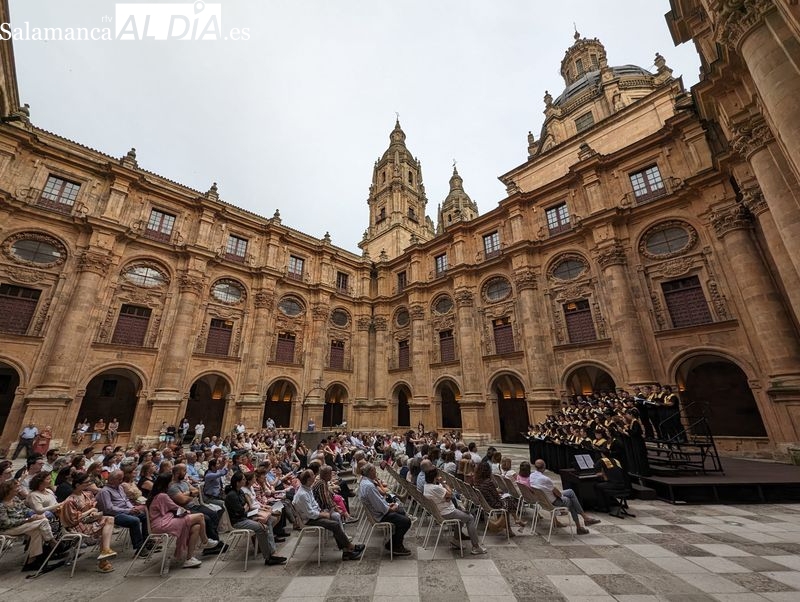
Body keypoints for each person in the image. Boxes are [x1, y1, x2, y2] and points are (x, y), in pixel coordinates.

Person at [293, 469, 364, 560]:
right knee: (334, 524)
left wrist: (323, 511)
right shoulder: (302, 494)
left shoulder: (308, 489)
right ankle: (350, 547)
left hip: (316, 514)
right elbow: (310, 514)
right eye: (312, 476)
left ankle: (346, 551)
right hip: (310, 520)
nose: (315, 477)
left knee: (335, 516)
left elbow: (314, 504)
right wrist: (323, 514)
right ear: (308, 480)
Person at [224, 471, 287, 565]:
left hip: (246, 516)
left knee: (269, 520)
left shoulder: (240, 491)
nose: (245, 481)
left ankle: (273, 551)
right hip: (238, 521)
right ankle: (268, 557)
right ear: (238, 482)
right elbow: (242, 510)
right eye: (243, 479)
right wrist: (247, 508)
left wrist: (247, 507)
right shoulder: (232, 495)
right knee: (261, 527)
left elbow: (248, 505)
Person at [147, 474, 209, 568]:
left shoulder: (157, 495)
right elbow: (176, 508)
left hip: (166, 520)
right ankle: (205, 541)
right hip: (162, 524)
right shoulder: (162, 496)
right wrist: (187, 509)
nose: (172, 483)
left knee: (196, 527)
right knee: (200, 516)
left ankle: (189, 558)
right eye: (171, 481)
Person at [60, 472, 118, 572]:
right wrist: (90, 511)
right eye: (86, 482)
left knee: (109, 520)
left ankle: (105, 553)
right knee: (107, 525)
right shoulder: (70, 500)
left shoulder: (87, 494)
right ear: (78, 485)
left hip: (90, 522)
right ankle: (104, 559)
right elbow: (74, 519)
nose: (89, 484)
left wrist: (94, 512)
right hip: (77, 526)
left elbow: (94, 507)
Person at [422, 468, 486, 555]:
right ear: (435, 477)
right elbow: (450, 494)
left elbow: (448, 497)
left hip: (441, 510)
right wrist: (443, 483)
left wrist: (447, 497)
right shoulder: (436, 488)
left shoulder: (426, 486)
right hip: (446, 512)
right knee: (470, 518)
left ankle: (456, 540)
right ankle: (476, 547)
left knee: (461, 516)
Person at [529, 459, 600, 535]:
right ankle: (580, 525)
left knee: (570, 492)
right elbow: (558, 494)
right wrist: (561, 495)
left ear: (535, 467)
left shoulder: (532, 476)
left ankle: (585, 519)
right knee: (571, 500)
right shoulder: (545, 479)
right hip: (554, 502)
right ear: (544, 467)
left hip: (543, 500)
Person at [0, 479, 57, 571]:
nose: (19, 489)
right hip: (7, 529)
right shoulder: (1, 505)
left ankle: (31, 561)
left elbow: (26, 510)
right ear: (9, 490)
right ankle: (52, 541)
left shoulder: (15, 499)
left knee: (37, 531)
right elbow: (6, 523)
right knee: (43, 521)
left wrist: (34, 515)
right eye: (16, 487)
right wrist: (26, 520)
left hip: (21, 525)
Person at [168, 463, 224, 555]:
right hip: (184, 510)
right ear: (177, 473)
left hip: (194, 505)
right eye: (184, 471)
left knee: (213, 514)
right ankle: (210, 544)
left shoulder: (184, 482)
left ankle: (214, 541)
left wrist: (187, 494)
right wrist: (190, 494)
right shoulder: (173, 487)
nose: (186, 473)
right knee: (206, 518)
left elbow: (196, 491)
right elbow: (182, 501)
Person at [358, 463, 412, 556]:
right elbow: (380, 507)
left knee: (401, 512)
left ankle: (393, 543)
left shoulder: (365, 482)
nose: (376, 471)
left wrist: (388, 504)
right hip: (380, 515)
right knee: (406, 521)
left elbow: (378, 501)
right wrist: (391, 508)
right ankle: (396, 546)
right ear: (370, 472)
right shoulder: (369, 486)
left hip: (379, 511)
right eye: (375, 470)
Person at [96, 470, 150, 554]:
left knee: (143, 515)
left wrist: (132, 508)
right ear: (112, 480)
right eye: (119, 479)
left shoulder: (120, 487)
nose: (121, 481)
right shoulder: (105, 491)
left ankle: (147, 541)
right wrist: (128, 510)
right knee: (134, 521)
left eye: (121, 479)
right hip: (114, 515)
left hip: (126, 510)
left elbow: (126, 500)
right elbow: (109, 508)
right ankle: (139, 548)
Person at [473, 461, 525, 536]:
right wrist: (500, 494)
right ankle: (513, 524)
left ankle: (513, 524)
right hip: (492, 504)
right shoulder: (488, 482)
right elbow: (496, 496)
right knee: (509, 500)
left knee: (507, 500)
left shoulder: (476, 481)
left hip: (484, 503)